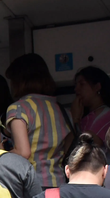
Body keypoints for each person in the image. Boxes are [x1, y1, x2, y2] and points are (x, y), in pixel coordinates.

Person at [5, 53, 75, 189]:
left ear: (19, 80)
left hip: (31, 186)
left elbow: (23, 152)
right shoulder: (62, 110)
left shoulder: (19, 108)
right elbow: (69, 150)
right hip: (59, 184)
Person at [71, 66, 110, 146]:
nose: (76, 89)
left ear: (97, 87)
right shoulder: (86, 116)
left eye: (82, 84)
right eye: (76, 85)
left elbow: (86, 146)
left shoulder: (107, 114)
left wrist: (75, 119)